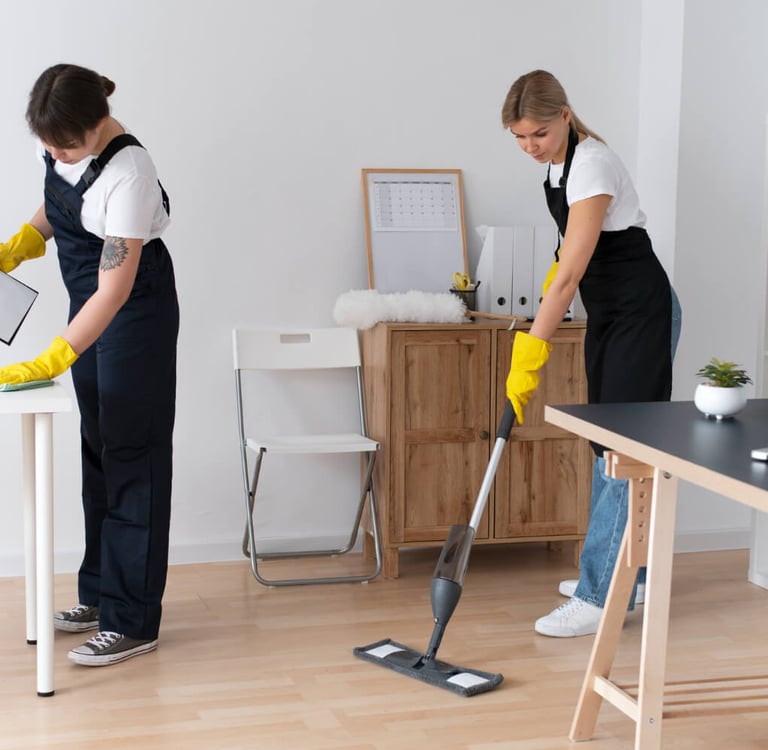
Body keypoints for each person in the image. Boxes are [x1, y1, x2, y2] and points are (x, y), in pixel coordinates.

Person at [0, 64, 179, 665]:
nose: (53, 152)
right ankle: (102, 595)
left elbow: (115, 288)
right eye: (46, 144)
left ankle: (134, 621)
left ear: (97, 125)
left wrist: (53, 355)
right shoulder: (63, 137)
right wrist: (19, 245)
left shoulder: (130, 174)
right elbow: (61, 204)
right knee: (99, 447)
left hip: (131, 308)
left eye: (64, 144)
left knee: (134, 452)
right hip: (90, 304)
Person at [501, 69, 676, 637]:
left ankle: (602, 596)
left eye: (540, 134)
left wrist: (533, 350)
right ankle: (634, 575)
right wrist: (535, 328)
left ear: (565, 116)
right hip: (612, 316)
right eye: (520, 137)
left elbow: (571, 273)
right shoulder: (559, 167)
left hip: (641, 315)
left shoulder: (592, 163)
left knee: (625, 448)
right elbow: (565, 257)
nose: (531, 147)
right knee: (610, 442)